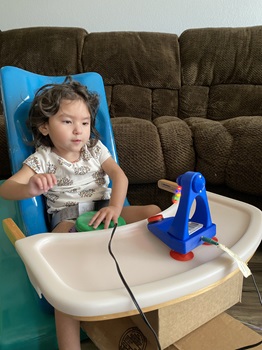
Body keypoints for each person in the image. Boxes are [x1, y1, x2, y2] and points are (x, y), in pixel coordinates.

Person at [0, 77, 161, 350]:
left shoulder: (95, 149)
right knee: (63, 286)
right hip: (70, 221)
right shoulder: (42, 159)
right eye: (67, 122)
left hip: (107, 211)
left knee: (154, 212)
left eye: (85, 123)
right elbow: (8, 189)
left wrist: (115, 207)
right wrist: (30, 186)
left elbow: (119, 178)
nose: (78, 130)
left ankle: (152, 281)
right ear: (45, 127)